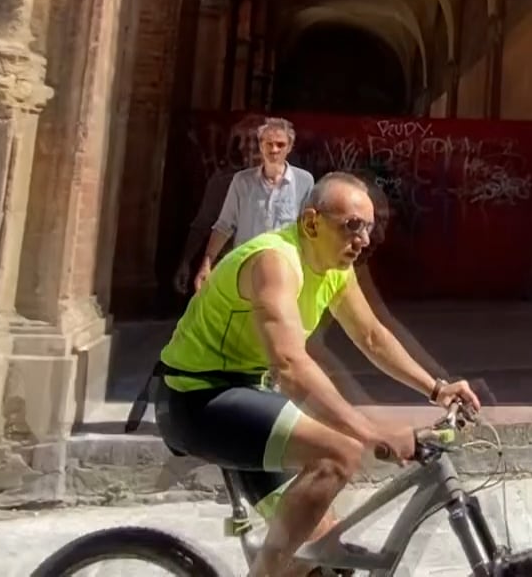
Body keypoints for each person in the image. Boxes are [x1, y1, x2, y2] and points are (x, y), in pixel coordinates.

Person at [154, 171, 480, 577]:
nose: (362, 240)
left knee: (322, 558)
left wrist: (437, 388)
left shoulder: (334, 269)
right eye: (352, 226)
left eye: (369, 229)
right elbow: (289, 366)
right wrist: (370, 431)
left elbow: (373, 337)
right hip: (198, 398)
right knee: (339, 451)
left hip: (248, 396)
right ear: (311, 222)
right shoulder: (274, 261)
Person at [177, 117, 313, 294]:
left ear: (289, 147)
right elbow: (221, 226)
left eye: (280, 144)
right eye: (268, 143)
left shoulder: (304, 181)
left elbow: (308, 230)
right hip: (243, 269)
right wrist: (204, 263)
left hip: (285, 272)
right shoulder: (238, 182)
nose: (274, 149)